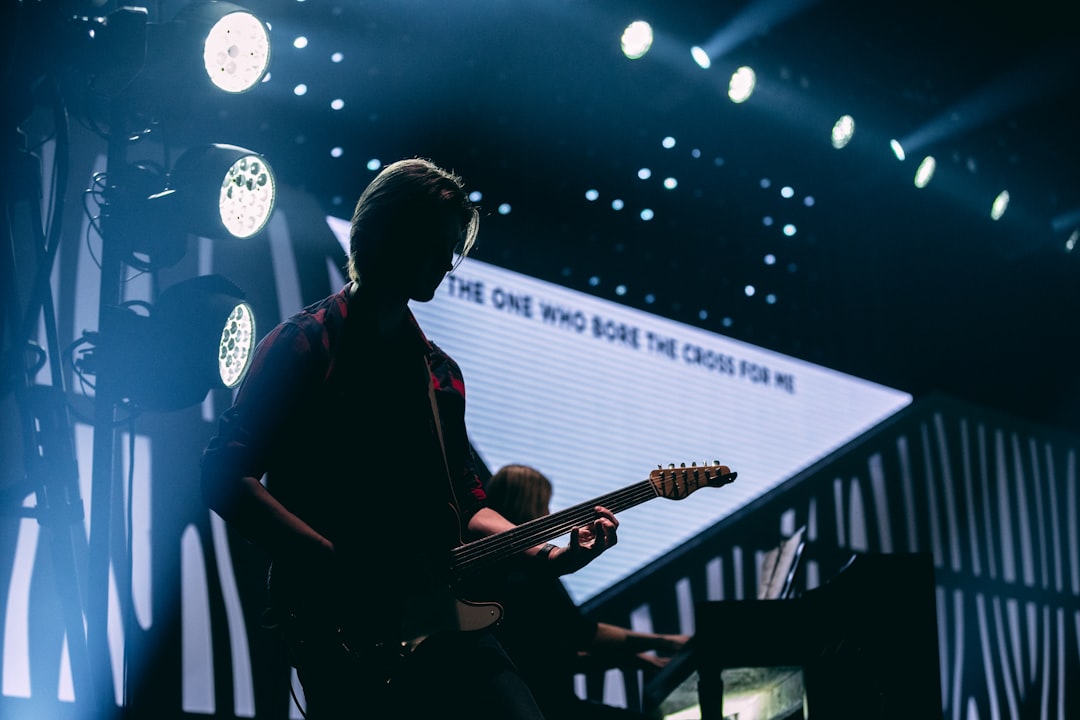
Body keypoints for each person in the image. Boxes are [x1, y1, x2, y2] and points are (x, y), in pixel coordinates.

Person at [199, 157, 620, 720]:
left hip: (440, 613)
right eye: (434, 244)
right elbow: (224, 477)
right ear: (383, 233)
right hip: (340, 624)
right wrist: (330, 561)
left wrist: (548, 553)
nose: (446, 264)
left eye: (452, 249)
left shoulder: (440, 375)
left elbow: (467, 502)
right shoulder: (304, 345)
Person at [484, 463, 691, 720]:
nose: (549, 514)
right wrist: (667, 642)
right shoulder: (525, 575)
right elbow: (580, 634)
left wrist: (635, 659)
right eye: (544, 504)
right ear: (528, 505)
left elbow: (553, 654)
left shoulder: (496, 574)